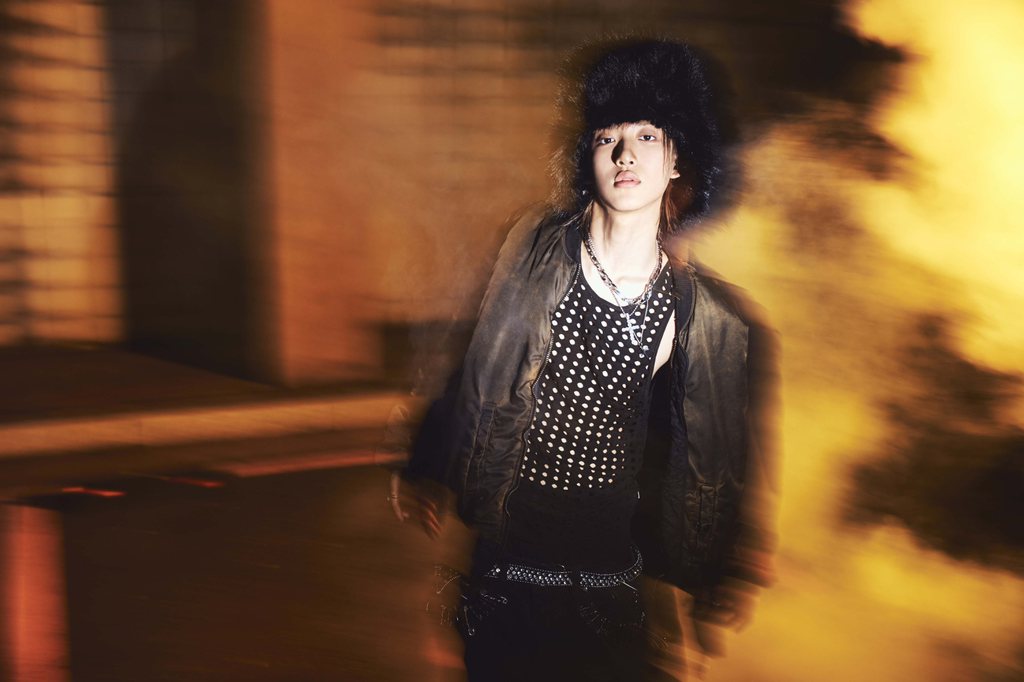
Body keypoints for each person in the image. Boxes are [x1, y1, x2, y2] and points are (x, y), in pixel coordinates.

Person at [391, 37, 778, 681]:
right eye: (607, 137)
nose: (625, 153)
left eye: (647, 136)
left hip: (614, 591)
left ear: (677, 160)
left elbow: (724, 452)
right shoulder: (533, 251)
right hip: (506, 581)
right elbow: (477, 358)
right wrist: (428, 455)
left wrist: (726, 564)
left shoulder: (705, 317)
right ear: (587, 157)